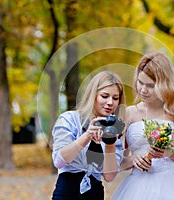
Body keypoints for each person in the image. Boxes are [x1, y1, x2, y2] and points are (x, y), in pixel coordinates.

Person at [112, 52, 174, 200]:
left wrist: (171, 153)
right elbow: (115, 161)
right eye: (140, 82)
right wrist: (133, 160)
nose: (143, 90)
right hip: (138, 188)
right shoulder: (128, 114)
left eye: (150, 85)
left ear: (165, 84)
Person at [51, 71, 126, 200]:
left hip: (95, 193)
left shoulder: (114, 129)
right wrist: (86, 137)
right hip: (67, 191)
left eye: (115, 98)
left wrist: (110, 144)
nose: (110, 102)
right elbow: (59, 161)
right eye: (104, 96)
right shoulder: (70, 119)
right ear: (93, 95)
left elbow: (109, 177)